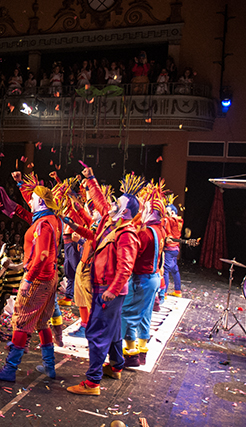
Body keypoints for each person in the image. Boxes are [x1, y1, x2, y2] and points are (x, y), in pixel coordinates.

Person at [66, 169, 142, 396]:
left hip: (108, 289)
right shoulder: (111, 224)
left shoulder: (127, 233)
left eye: (118, 202)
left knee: (97, 332)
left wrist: (112, 290)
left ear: (126, 210)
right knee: (113, 329)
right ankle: (116, 366)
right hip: (104, 286)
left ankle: (92, 383)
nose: (112, 203)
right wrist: (90, 179)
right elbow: (100, 202)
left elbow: (126, 266)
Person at [0, 171, 62, 382]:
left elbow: (42, 256)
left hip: (39, 279)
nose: (29, 200)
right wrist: (20, 183)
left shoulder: (44, 225)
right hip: (49, 278)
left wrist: (28, 280)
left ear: (39, 201)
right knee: (41, 323)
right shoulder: (48, 219)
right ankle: (49, 367)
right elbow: (27, 214)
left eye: (32, 198)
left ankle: (10, 369)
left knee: (21, 321)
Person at [120, 183, 166, 367]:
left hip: (142, 278)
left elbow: (132, 253)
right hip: (153, 277)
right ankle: (142, 352)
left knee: (127, 314)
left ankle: (131, 354)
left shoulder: (146, 233)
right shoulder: (160, 229)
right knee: (145, 315)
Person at [162, 200, 184, 298]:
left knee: (165, 270)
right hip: (175, 248)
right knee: (174, 269)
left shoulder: (172, 220)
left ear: (172, 212)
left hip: (170, 248)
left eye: (167, 212)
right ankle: (177, 291)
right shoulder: (180, 220)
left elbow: (166, 220)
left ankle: (164, 292)